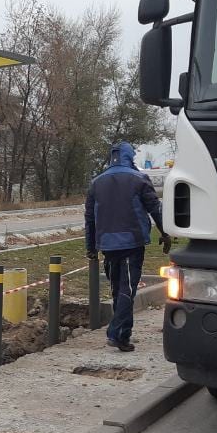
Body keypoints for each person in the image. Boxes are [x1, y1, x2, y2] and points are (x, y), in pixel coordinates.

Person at [85, 141, 171, 352]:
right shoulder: (139, 178)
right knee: (128, 288)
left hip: (107, 244)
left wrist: (90, 247)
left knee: (118, 289)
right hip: (132, 242)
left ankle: (124, 335)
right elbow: (155, 210)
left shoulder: (96, 183)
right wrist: (165, 233)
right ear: (129, 156)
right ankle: (115, 333)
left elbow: (90, 218)